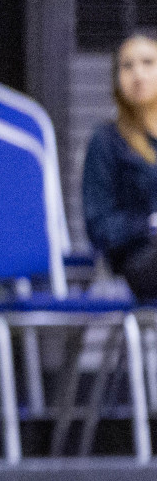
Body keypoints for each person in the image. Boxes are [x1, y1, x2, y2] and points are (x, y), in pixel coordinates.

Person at [83, 30, 157, 301]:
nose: (138, 74)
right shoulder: (106, 141)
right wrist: (149, 224)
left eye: (148, 63)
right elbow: (99, 226)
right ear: (117, 78)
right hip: (135, 262)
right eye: (128, 66)